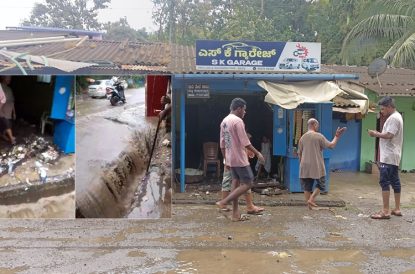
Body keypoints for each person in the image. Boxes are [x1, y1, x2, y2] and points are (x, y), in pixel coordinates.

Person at [216, 98, 265, 221]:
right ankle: (224, 201)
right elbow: (245, 142)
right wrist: (258, 153)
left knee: (236, 182)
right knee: (248, 182)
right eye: (244, 109)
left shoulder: (224, 121)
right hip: (239, 158)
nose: (245, 112)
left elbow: (222, 143)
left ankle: (235, 214)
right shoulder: (237, 121)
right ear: (239, 108)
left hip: (231, 158)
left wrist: (226, 159)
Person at [368, 96, 403, 219]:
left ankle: (385, 211)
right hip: (394, 156)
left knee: (384, 181)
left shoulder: (393, 118)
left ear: (389, 107)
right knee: (395, 181)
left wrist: (375, 134)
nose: (382, 112)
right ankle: (397, 209)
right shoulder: (397, 116)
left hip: (388, 156)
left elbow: (389, 135)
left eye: (383, 109)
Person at [298, 118, 346, 209]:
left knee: (306, 187)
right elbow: (331, 146)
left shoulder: (302, 137)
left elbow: (299, 153)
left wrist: (301, 164)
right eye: (317, 125)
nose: (318, 127)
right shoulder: (318, 136)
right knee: (322, 184)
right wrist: (337, 136)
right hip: (316, 165)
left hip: (304, 166)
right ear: (314, 125)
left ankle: (309, 207)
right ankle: (311, 199)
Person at [0, 76, 16, 145]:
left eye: (10, 78)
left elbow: (12, 102)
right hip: (2, 109)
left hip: (8, 111)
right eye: (8, 78)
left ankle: (3, 135)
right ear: (3, 78)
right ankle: (12, 139)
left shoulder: (9, 89)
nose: (9, 80)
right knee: (7, 124)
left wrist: (14, 112)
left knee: (6, 124)